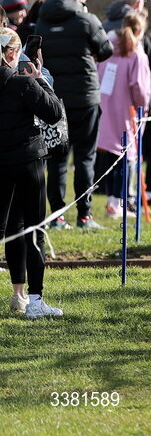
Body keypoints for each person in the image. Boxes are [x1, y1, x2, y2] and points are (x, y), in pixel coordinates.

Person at [34, 0, 114, 229]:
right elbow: (106, 50)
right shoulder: (86, 19)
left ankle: (56, 217)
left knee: (57, 160)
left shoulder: (42, 22)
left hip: (54, 99)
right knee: (85, 158)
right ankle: (84, 216)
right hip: (84, 98)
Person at [1, 27, 66, 318]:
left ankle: (18, 293)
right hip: (28, 161)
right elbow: (54, 112)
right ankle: (36, 300)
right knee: (33, 229)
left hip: (1, 163)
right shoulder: (23, 84)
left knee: (10, 229)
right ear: (13, 53)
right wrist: (40, 79)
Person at [95, 13, 151, 220]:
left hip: (105, 107)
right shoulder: (137, 54)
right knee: (126, 156)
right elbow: (140, 88)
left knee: (112, 156)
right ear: (140, 31)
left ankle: (113, 200)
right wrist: (143, 106)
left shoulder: (107, 47)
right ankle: (117, 201)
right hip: (126, 111)